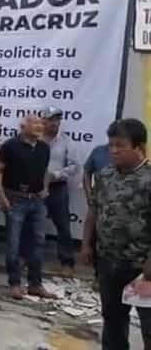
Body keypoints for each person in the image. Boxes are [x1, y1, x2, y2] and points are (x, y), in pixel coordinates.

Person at [81, 119, 151, 349]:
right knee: (112, 320)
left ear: (139, 147)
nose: (113, 150)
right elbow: (94, 210)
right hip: (108, 262)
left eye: (120, 145)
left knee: (148, 324)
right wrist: (86, 244)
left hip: (141, 268)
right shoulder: (105, 175)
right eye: (111, 145)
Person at [0, 115, 56, 300]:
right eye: (35, 123)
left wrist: (45, 187)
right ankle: (14, 283)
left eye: (41, 124)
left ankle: (35, 284)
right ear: (23, 126)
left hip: (37, 201)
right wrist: (1, 197)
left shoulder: (44, 148)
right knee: (14, 243)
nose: (40, 126)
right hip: (16, 201)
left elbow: (45, 170)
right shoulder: (9, 146)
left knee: (38, 242)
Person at [40, 106, 78, 276]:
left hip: (57, 187)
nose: (55, 123)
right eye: (51, 119)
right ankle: (28, 258)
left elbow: (74, 166)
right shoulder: (35, 139)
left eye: (57, 119)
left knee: (63, 225)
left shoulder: (66, 141)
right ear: (43, 120)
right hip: (36, 188)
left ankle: (67, 262)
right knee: (33, 224)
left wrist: (56, 174)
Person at [82, 142, 111, 288]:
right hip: (100, 203)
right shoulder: (99, 151)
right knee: (97, 239)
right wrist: (88, 193)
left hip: (119, 209)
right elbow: (86, 172)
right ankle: (98, 277)